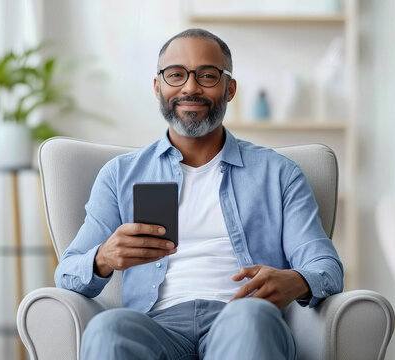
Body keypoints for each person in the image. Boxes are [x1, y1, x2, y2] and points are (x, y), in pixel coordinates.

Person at [55, 28, 343, 360]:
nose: (190, 87)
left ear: (229, 88)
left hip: (242, 318)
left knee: (250, 319)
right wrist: (103, 257)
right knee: (108, 329)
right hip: (155, 327)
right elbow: (67, 273)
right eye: (176, 75)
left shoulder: (278, 173)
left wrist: (297, 280)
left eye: (207, 75)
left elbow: (326, 266)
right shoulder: (120, 175)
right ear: (158, 86)